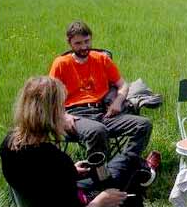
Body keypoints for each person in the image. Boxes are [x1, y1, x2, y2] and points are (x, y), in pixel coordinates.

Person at [0, 76, 128, 207]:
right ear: (52, 113)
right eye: (62, 107)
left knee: (123, 163)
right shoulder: (56, 160)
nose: (65, 111)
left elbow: (38, 181)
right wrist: (101, 200)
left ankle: (142, 168)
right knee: (125, 176)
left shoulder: (9, 143)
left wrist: (71, 170)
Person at [49, 21, 153, 161]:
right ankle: (100, 175)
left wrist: (117, 102)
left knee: (144, 124)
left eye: (87, 41)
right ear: (70, 43)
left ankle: (123, 164)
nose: (84, 47)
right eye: (78, 43)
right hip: (75, 117)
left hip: (103, 113)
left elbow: (123, 85)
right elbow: (49, 98)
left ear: (91, 38)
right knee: (97, 130)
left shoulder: (102, 59)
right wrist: (63, 116)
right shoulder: (61, 63)